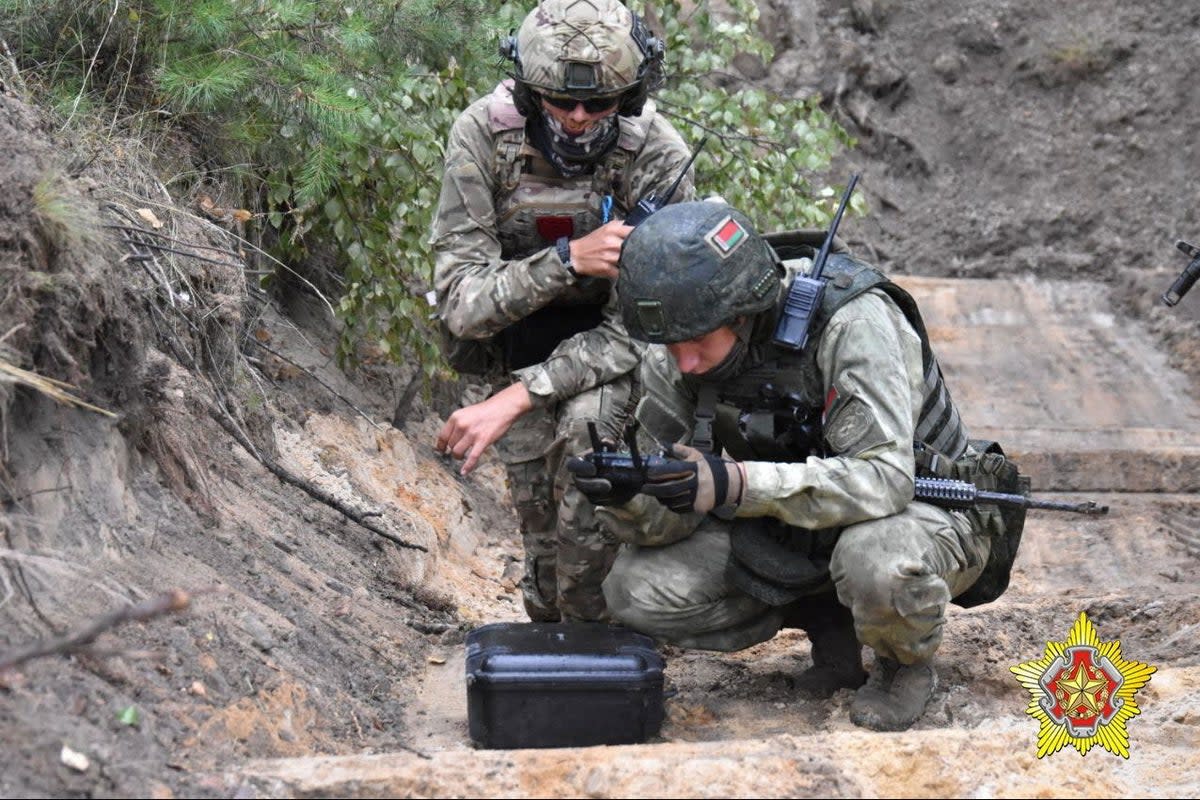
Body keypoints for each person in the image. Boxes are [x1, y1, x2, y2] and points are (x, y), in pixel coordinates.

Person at [568, 199, 1022, 731]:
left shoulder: (854, 321)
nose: (683, 362)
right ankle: (830, 618)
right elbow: (668, 514)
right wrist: (630, 495)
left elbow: (886, 479)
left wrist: (736, 483)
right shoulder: (679, 337)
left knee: (877, 562)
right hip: (798, 517)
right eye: (670, 346)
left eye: (695, 344)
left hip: (925, 506)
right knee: (635, 591)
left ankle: (903, 665)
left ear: (741, 313)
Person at [431, 0, 695, 623]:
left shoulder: (655, 154)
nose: (578, 119)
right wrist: (568, 261)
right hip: (515, 344)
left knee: (587, 443)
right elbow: (463, 306)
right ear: (528, 91)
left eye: (599, 104)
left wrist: (519, 398)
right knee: (544, 557)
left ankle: (597, 640)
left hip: (616, 359)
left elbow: (646, 325)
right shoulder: (482, 137)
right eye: (559, 101)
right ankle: (557, 631)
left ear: (627, 100)